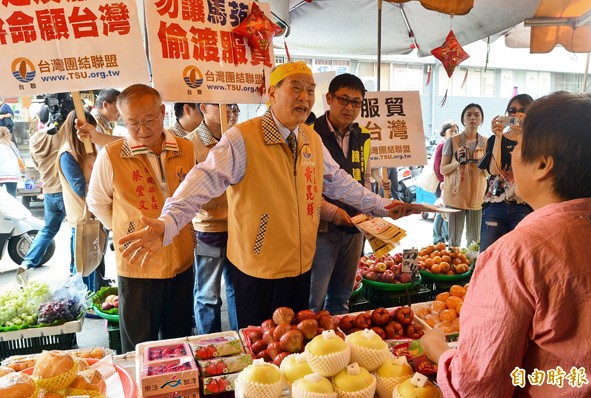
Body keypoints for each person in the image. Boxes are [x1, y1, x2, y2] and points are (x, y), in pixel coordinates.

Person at [116, 62, 415, 329]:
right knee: (259, 348)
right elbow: (203, 179)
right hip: (257, 269)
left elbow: (337, 181)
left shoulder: (309, 136)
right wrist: (169, 223)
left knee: (293, 347)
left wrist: (383, 206)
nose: (304, 97)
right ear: (272, 94)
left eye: (310, 90)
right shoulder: (243, 137)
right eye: (295, 89)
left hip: (300, 266)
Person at [420, 92, 591, 397]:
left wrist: (440, 353)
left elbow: (479, 384)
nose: (513, 154)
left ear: (543, 164)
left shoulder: (518, 253)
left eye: (518, 146)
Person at [85, 84, 196, 352]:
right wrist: (124, 226)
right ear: (122, 119)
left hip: (181, 261)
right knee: (139, 347)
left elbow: (194, 196)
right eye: (133, 123)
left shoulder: (186, 148)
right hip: (138, 267)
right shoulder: (111, 155)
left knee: (178, 342)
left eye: (149, 120)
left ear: (162, 111)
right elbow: (97, 203)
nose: (143, 130)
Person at [309, 73, 373, 315]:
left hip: (355, 229)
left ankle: (338, 349)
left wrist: (370, 213)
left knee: (341, 299)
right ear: (329, 98)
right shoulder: (309, 134)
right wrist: (333, 213)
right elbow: (305, 189)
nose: (349, 107)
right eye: (343, 100)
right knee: (313, 301)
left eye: (356, 102)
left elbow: (364, 179)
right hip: (321, 230)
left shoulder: (363, 136)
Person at [185, 103, 238, 333]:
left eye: (234, 106)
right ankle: (209, 343)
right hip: (207, 229)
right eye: (223, 105)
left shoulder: (238, 139)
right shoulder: (190, 144)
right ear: (204, 107)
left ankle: (242, 339)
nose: (231, 111)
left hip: (238, 227)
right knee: (208, 294)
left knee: (238, 290)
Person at [57, 110, 108, 292]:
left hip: (98, 215)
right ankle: (81, 300)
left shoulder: (92, 150)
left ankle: (93, 296)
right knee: (82, 265)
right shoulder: (67, 155)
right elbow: (80, 187)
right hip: (82, 219)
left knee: (96, 260)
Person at [477, 94, 534, 253]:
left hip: (524, 206)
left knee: (516, 255)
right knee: (487, 254)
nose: (516, 114)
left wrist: (523, 135)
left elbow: (530, 168)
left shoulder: (535, 141)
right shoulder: (494, 139)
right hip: (496, 204)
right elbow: (494, 170)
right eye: (512, 110)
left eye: (523, 110)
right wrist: (499, 136)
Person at [16, 106, 66, 286]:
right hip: (66, 190)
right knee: (78, 229)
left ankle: (27, 263)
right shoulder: (61, 135)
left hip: (49, 191)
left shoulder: (34, 139)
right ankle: (75, 270)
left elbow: (36, 165)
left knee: (48, 230)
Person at [440, 104, 487, 247]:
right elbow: (443, 169)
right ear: (463, 119)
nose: (472, 118)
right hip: (456, 197)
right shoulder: (452, 141)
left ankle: (472, 269)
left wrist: (483, 164)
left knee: (474, 241)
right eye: (469, 115)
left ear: (481, 119)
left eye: (476, 115)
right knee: (454, 241)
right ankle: (453, 268)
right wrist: (457, 162)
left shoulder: (486, 142)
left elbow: (490, 171)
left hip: (477, 197)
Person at [432, 121, 458, 244]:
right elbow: (437, 165)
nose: (454, 134)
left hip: (449, 182)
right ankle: (437, 238)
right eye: (451, 131)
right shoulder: (442, 145)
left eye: (456, 131)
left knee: (446, 210)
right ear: (444, 133)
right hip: (442, 183)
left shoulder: (453, 145)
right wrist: (442, 181)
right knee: (441, 210)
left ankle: (445, 236)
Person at [0, 127, 23, 197]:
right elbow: (19, 157)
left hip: (1, 173)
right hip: (13, 174)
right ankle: (12, 208)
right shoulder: (12, 145)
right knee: (12, 195)